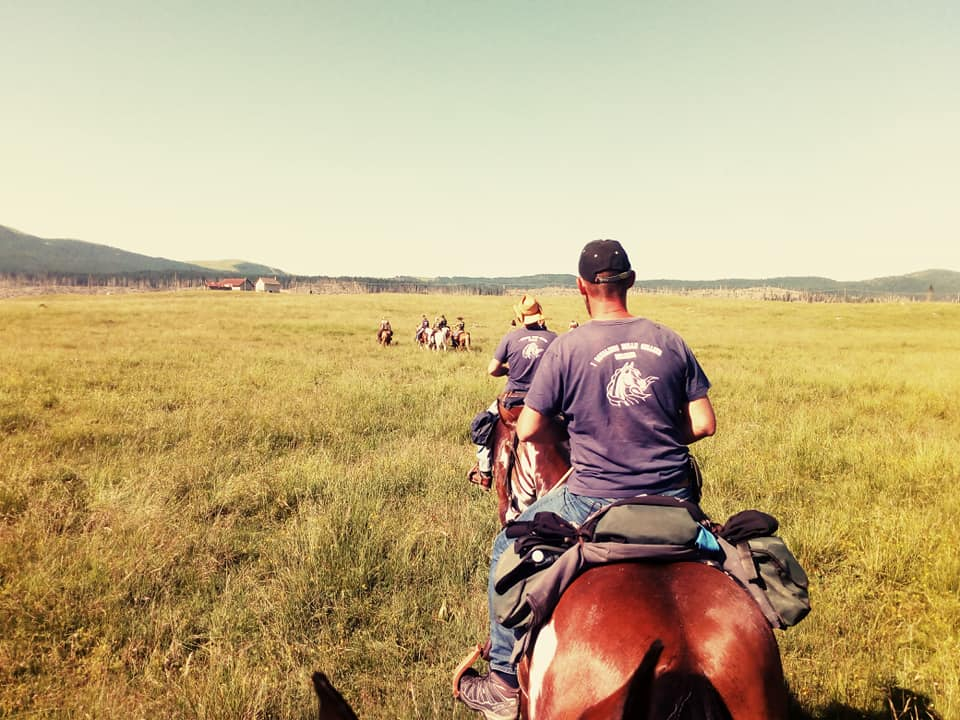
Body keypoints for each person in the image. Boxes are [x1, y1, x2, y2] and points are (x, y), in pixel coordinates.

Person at [457, 239, 717, 720]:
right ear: (631, 281)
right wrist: (655, 432)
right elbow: (703, 423)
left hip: (592, 499)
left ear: (580, 287)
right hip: (674, 499)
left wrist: (585, 431)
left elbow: (528, 429)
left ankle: (503, 682)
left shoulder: (569, 348)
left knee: (505, 545)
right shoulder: (670, 340)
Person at [467, 295, 557, 488]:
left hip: (512, 401)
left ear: (520, 317)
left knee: (483, 425)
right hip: (545, 401)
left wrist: (507, 370)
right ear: (540, 315)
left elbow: (492, 369)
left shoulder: (510, 337)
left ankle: (484, 473)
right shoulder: (553, 338)